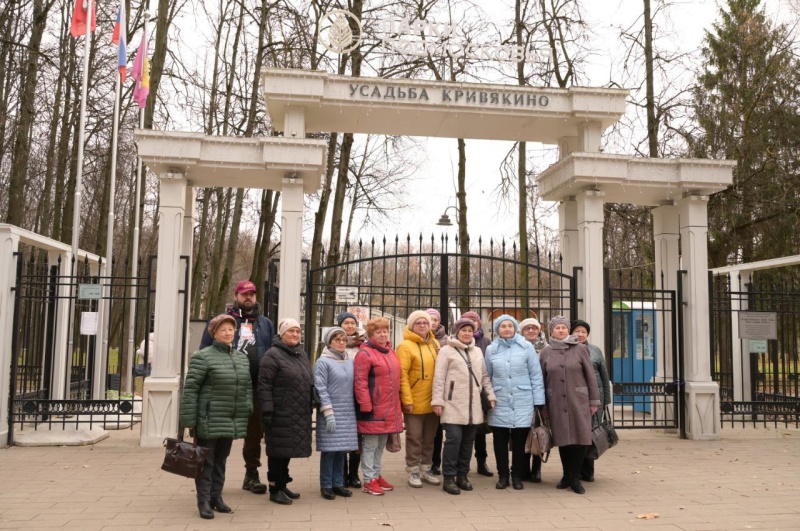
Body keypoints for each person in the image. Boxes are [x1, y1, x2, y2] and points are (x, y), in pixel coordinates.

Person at [199, 279, 274, 495]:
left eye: (251, 294)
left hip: (256, 388)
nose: (248, 298)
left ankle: (252, 474)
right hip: (226, 388)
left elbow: (270, 354)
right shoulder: (220, 322)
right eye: (244, 294)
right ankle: (210, 481)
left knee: (254, 433)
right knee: (220, 433)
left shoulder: (265, 324)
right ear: (236, 296)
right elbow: (204, 352)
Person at [180, 314, 252, 519]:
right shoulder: (203, 356)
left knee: (221, 459)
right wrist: (189, 420)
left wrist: (247, 406)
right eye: (223, 330)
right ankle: (203, 501)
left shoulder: (240, 357)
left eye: (231, 329)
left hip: (230, 417)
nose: (228, 333)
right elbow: (191, 389)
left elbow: (246, 386)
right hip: (208, 418)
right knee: (205, 461)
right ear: (214, 333)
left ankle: (216, 497)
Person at [431, 318, 496, 495]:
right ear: (457, 331)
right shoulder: (446, 351)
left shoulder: (477, 352)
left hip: (473, 406)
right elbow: (439, 377)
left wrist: (490, 395)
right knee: (453, 440)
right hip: (452, 404)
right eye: (464, 330)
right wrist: (437, 401)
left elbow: (484, 377)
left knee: (468, 442)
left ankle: (462, 475)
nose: (467, 333)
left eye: (470, 330)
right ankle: (449, 477)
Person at [538, 316, 600, 495]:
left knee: (580, 439)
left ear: (568, 330)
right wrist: (542, 404)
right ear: (551, 332)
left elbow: (591, 376)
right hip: (555, 401)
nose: (561, 331)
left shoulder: (581, 349)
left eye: (564, 328)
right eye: (557, 328)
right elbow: (542, 379)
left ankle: (575, 477)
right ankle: (566, 475)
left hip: (578, 401)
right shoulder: (546, 352)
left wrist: (594, 401)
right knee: (563, 440)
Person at [485, 314, 545, 490]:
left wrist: (538, 401)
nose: (507, 329)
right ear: (497, 330)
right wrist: (489, 397)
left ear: (515, 328)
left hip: (523, 401)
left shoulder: (526, 347)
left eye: (510, 326)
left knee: (519, 442)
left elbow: (535, 375)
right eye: (503, 326)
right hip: (499, 401)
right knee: (500, 441)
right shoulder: (491, 350)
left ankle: (517, 475)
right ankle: (503, 476)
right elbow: (487, 376)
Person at [258, 318, 313, 505]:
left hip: (297, 412)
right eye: (291, 331)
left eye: (298, 331)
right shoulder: (272, 355)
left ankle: (282, 484)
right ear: (282, 334)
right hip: (279, 412)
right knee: (276, 452)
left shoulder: (300, 354)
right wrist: (267, 410)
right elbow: (264, 385)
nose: (295, 334)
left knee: (286, 450)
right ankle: (274, 488)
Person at [353, 316, 403, 496]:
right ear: (370, 334)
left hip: (389, 408)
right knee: (370, 445)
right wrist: (365, 405)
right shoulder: (364, 354)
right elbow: (360, 382)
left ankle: (376, 474)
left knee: (381, 444)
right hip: (373, 408)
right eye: (378, 332)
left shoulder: (390, 351)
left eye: (385, 331)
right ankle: (368, 479)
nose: (383, 334)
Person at [397, 310, 441, 488]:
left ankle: (426, 468)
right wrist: (407, 399)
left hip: (433, 399)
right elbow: (402, 375)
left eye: (425, 322)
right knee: (415, 437)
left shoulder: (435, 343)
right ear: (411, 326)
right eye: (418, 323)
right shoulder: (405, 346)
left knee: (430, 437)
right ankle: (413, 469)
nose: (422, 325)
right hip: (414, 399)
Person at [314, 327, 359, 500]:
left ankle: (338, 483)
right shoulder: (323, 362)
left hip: (347, 411)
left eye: (343, 339)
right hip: (331, 411)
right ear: (329, 342)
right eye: (337, 339)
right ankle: (326, 485)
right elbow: (321, 387)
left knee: (341, 450)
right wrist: (327, 411)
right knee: (330, 451)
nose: (341, 342)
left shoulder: (349, 360)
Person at [570, 319, 612, 483]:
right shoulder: (567, 349)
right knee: (576, 435)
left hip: (595, 400)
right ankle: (574, 470)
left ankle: (588, 471)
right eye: (577, 331)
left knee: (591, 434)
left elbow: (604, 375)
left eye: (583, 332)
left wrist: (606, 399)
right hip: (575, 399)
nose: (580, 334)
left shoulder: (595, 351)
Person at [461, 310, 493, 477]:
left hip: (479, 392)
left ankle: (482, 462)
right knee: (461, 431)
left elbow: (488, 368)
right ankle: (461, 465)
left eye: (474, 320)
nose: (471, 323)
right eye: (468, 320)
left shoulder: (486, 342)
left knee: (480, 431)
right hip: (460, 393)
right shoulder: (455, 342)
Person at [337, 311, 365, 488]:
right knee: (342, 436)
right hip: (341, 395)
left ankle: (354, 474)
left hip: (359, 395)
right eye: (346, 323)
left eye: (352, 323)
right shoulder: (336, 343)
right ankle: (341, 474)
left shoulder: (363, 345)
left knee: (357, 437)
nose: (349, 326)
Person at [519, 317, 546, 483]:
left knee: (539, 433)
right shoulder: (517, 347)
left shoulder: (547, 349)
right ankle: (522, 468)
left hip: (541, 396)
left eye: (534, 328)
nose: (531, 331)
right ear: (522, 331)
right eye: (527, 328)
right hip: (522, 396)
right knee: (522, 434)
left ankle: (537, 469)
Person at [427, 308, 446, 476]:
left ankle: (436, 463)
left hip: (442, 390)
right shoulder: (419, 339)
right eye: (429, 319)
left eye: (435, 320)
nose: (432, 323)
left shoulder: (446, 341)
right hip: (424, 389)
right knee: (424, 431)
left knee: (438, 430)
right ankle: (422, 462)